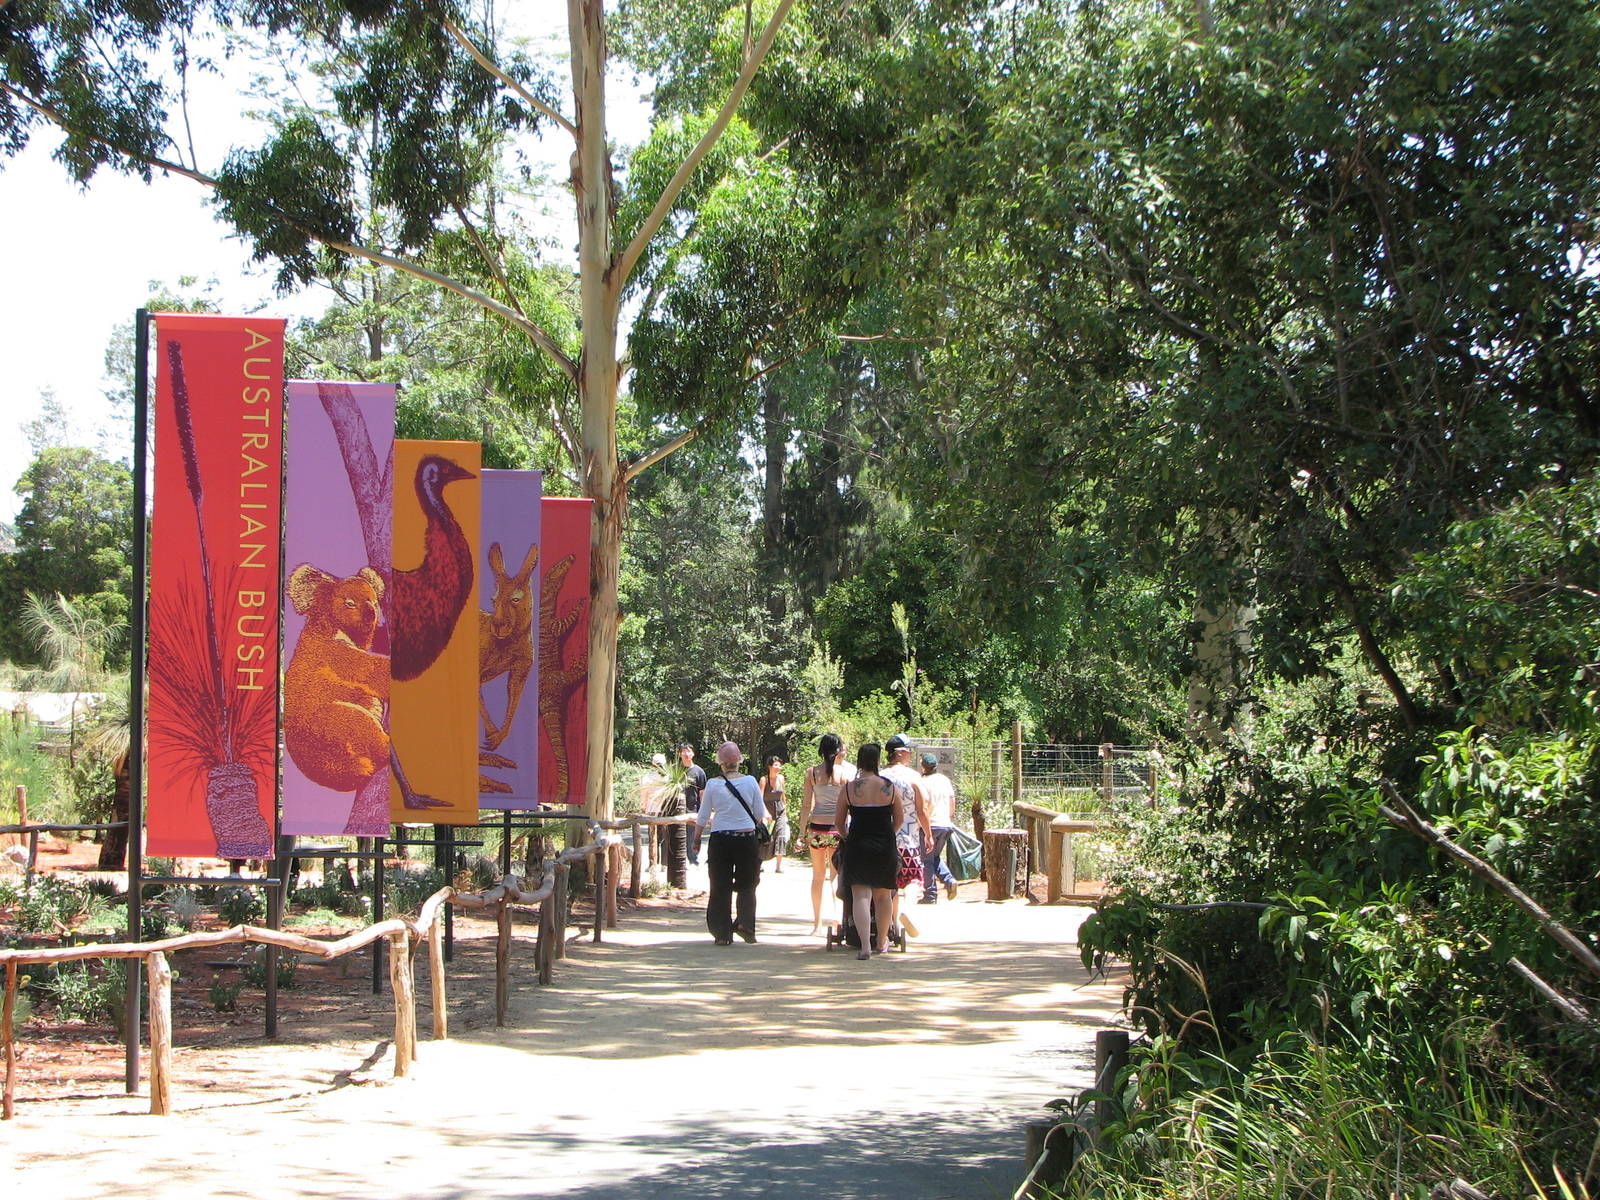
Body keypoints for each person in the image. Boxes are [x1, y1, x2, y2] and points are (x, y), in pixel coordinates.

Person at [835, 742, 905, 960]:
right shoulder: (890, 787)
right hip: (884, 845)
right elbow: (899, 820)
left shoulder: (849, 788)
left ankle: (864, 945)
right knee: (883, 895)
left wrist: (849, 837)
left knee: (860, 895)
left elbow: (839, 823)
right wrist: (886, 835)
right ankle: (881, 941)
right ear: (877, 760)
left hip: (858, 844)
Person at [695, 741, 766, 945]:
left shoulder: (713, 784)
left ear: (720, 763)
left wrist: (697, 839)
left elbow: (703, 815)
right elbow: (759, 814)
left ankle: (722, 934)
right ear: (739, 761)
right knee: (747, 884)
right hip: (746, 839)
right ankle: (746, 925)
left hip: (721, 840)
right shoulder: (751, 781)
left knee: (719, 885)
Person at [796, 732, 855, 933]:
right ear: (838, 751)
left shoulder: (812, 773)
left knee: (817, 877)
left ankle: (817, 924)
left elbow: (806, 805)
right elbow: (849, 805)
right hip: (838, 830)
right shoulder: (845, 775)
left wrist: (801, 833)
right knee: (836, 876)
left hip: (817, 828)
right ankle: (836, 919)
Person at [881, 733, 932, 930]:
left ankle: (892, 924)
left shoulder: (879, 775)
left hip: (884, 838)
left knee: (889, 883)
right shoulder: (912, 777)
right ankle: (907, 910)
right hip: (908, 839)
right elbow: (922, 809)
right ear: (900, 753)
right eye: (908, 750)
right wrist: (928, 834)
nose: (911, 754)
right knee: (913, 878)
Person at [916, 751, 960, 903]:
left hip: (930, 825)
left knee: (926, 860)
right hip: (945, 824)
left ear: (923, 767)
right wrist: (949, 815)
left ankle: (930, 894)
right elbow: (952, 801)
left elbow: (921, 807)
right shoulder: (944, 780)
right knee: (934, 857)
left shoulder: (921, 782)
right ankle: (949, 880)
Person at [639, 752, 671, 868]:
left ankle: (654, 864)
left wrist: (643, 807)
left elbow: (643, 795)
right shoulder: (669, 778)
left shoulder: (647, 778)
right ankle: (664, 863)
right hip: (664, 810)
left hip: (653, 810)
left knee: (654, 838)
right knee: (664, 838)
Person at [678, 743, 707, 866]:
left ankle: (693, 860)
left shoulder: (698, 772)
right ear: (680, 754)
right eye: (684, 751)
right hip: (677, 810)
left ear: (693, 754)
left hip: (693, 809)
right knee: (678, 836)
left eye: (689, 751)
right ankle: (679, 861)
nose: (686, 754)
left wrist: (703, 810)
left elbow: (702, 792)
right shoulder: (675, 769)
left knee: (692, 837)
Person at [760, 756, 790, 873]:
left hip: (780, 810)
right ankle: (760, 862)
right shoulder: (764, 780)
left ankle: (778, 866)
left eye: (779, 765)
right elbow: (759, 798)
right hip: (767, 811)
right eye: (776, 765)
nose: (778, 767)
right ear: (770, 766)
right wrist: (764, 813)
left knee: (781, 835)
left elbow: (783, 795)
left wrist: (785, 810)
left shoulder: (781, 779)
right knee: (765, 837)